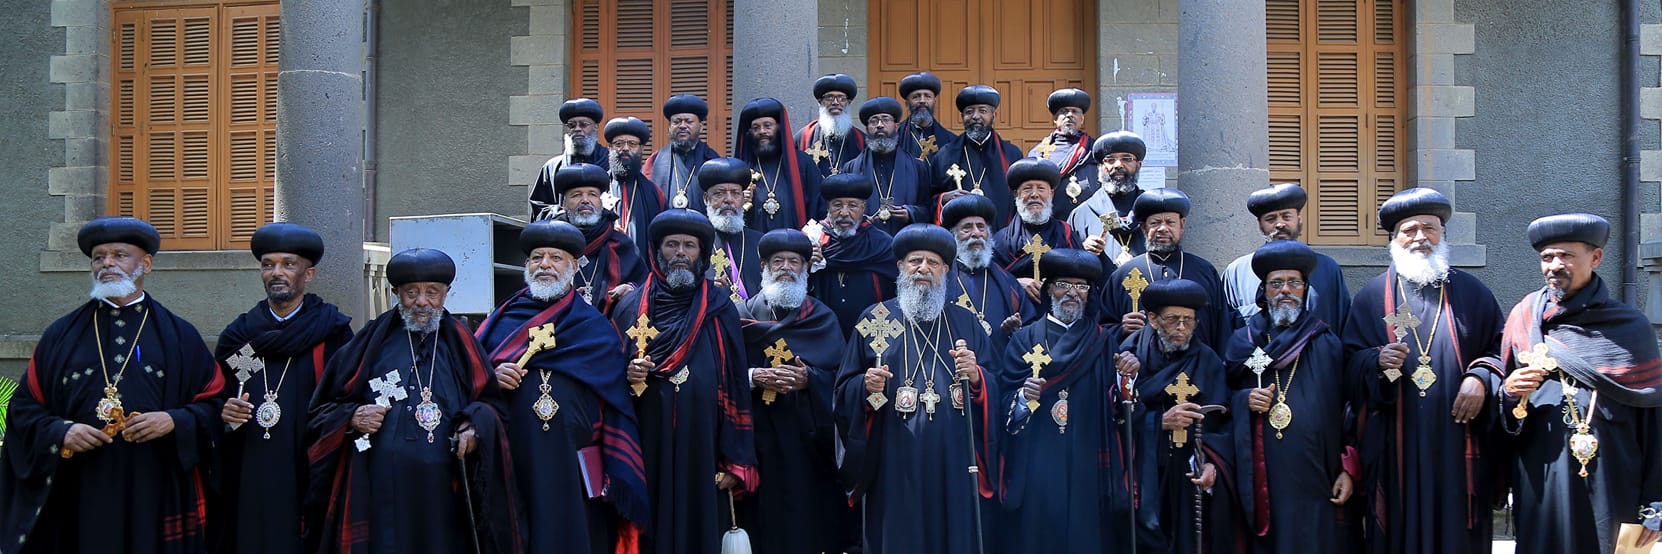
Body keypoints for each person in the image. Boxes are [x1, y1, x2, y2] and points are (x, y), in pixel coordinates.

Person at [0, 217, 225, 553]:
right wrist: (61, 431)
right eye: (98, 257)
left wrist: (173, 421)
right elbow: (23, 410)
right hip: (79, 489)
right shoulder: (60, 336)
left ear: (145, 264)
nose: (106, 263)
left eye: (119, 255)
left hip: (156, 488)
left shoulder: (181, 337)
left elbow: (216, 406)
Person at [304, 248, 520, 554]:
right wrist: (352, 416)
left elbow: (492, 406)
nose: (421, 302)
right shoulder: (369, 343)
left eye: (432, 292)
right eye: (411, 292)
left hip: (447, 489)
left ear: (447, 293)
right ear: (395, 293)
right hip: (381, 487)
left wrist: (474, 428)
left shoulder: (463, 343)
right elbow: (321, 410)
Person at [1482, 214, 1662, 553]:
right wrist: (1508, 393)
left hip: (1614, 478)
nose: (1554, 265)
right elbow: (1503, 415)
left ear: (1595, 258)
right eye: (1547, 257)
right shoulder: (1524, 319)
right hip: (1542, 478)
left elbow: (1653, 420)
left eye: (1566, 255)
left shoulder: (1631, 327)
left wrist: (1655, 504)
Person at [1340, 187, 1504, 554]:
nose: (1420, 237)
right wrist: (1376, 363)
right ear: (1393, 239)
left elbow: (1499, 351)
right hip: (1396, 446)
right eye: (1409, 230)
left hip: (1456, 441)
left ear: (1443, 233)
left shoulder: (1472, 294)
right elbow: (1348, 368)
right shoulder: (1371, 298)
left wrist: (1480, 378)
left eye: (1429, 228)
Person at [476, 220, 649, 553]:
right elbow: (471, 380)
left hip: (575, 461)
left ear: (572, 267)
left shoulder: (594, 327)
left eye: (556, 258)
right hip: (515, 454)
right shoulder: (499, 321)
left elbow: (615, 400)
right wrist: (492, 379)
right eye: (537, 257)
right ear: (526, 266)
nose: (545, 265)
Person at [834, 223, 999, 554]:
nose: (924, 268)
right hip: (893, 459)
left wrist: (977, 377)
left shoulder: (965, 322)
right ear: (900, 267)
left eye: (933, 263)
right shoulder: (875, 318)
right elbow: (842, 391)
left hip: (953, 459)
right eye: (915, 261)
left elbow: (996, 385)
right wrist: (864, 388)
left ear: (946, 271)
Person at [609, 210, 757, 554]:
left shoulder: (720, 309)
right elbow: (608, 385)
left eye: (689, 245)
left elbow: (737, 386)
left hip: (705, 446)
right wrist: (627, 377)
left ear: (702, 254)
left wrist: (736, 459)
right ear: (657, 251)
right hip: (647, 443)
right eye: (671, 244)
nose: (680, 252)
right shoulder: (630, 308)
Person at [212, 222, 354, 554]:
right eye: (268, 264)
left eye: (288, 264)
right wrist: (224, 411)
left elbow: (349, 399)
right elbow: (219, 394)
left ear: (309, 274)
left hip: (308, 465)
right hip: (251, 465)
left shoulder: (332, 333)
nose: (277, 272)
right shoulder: (241, 336)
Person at [1219, 240, 1359, 554]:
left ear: (1306, 290)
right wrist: (1244, 399)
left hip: (1317, 475)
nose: (1286, 290)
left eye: (1294, 282)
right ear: (1263, 292)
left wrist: (1348, 467)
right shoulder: (1244, 342)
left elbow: (1348, 409)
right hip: (1262, 474)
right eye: (1276, 283)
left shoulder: (1327, 343)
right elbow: (1221, 400)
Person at [998, 248, 1140, 554]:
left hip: (1089, 456)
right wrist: (1023, 398)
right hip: (1037, 460)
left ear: (1089, 294)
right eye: (1064, 285)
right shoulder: (1025, 338)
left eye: (1081, 287)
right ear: (1049, 289)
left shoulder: (1104, 340)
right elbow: (1005, 396)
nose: (1072, 293)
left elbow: (1119, 404)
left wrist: (1125, 378)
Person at [736, 229, 850, 554]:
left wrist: (809, 380)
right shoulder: (740, 317)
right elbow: (722, 377)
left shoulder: (822, 319)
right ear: (764, 267)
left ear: (804, 269)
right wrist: (754, 376)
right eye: (778, 261)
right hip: (754, 441)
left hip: (805, 446)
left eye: (794, 262)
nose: (786, 267)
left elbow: (841, 380)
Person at [1121, 278, 1230, 554]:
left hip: (1187, 469)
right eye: (1173, 320)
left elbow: (1223, 419)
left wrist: (1212, 463)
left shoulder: (1207, 361)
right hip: (1139, 467)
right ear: (1153, 319)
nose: (1182, 328)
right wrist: (1159, 422)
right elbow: (1112, 415)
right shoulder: (1129, 354)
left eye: (1189, 320)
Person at [1096, 188, 1229, 351]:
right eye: (1155, 223)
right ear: (1143, 228)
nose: (1163, 229)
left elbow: (1223, 329)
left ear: (1182, 225)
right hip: (1141, 372)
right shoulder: (1122, 275)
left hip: (1196, 371)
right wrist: (1121, 328)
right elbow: (1100, 330)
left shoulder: (1205, 271)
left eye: (1170, 222)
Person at [1222, 183, 1350, 330]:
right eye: (1271, 219)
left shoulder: (1327, 268)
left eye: (1286, 216)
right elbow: (1225, 328)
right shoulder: (1237, 272)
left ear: (1299, 219)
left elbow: (1342, 325)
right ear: (1260, 225)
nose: (1280, 224)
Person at [551, 163, 648, 314]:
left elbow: (644, 284)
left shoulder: (620, 242)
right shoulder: (551, 242)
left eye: (592, 194)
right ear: (564, 204)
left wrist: (631, 289)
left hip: (611, 329)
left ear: (601, 202)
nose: (585, 200)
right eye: (576, 195)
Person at [809, 173, 899, 336]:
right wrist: (805, 265)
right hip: (823, 331)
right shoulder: (811, 239)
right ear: (828, 207)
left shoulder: (883, 244)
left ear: (863, 207)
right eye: (837, 205)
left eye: (852, 205)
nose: (844, 212)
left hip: (873, 331)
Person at [942, 194, 1034, 353]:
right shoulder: (941, 281)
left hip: (1000, 370)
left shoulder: (1008, 283)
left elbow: (1030, 329)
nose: (976, 233)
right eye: (967, 227)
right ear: (953, 235)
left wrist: (1017, 332)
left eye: (981, 226)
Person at [928, 85, 1024, 232]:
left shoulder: (1012, 154)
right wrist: (943, 198)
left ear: (994, 116)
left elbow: (1021, 199)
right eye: (969, 112)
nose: (975, 116)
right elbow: (928, 199)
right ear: (962, 117)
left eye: (982, 111)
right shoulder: (945, 155)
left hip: (1002, 237)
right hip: (959, 240)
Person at [992, 158, 1081, 304]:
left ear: (1051, 194)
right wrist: (1015, 283)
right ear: (1016, 195)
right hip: (1017, 315)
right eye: (1027, 189)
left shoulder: (1065, 233)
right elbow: (989, 282)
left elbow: (1082, 277)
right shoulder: (1001, 240)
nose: (1034, 194)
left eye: (1041, 188)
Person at [842, 96, 931, 236]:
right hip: (865, 243)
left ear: (896, 126)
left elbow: (928, 208)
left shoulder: (918, 167)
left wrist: (910, 213)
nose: (879, 125)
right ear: (867, 128)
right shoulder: (851, 168)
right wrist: (860, 219)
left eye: (885, 119)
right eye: (873, 121)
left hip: (906, 241)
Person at [734, 97, 824, 233]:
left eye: (768, 126)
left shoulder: (802, 163)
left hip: (795, 245)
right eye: (756, 127)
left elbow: (819, 206)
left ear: (779, 128)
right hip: (753, 246)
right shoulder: (741, 167)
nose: (762, 131)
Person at [1070, 130, 1149, 267]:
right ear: (1100, 167)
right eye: (1110, 160)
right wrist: (1082, 250)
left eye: (1127, 158)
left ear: (1139, 165)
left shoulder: (1153, 210)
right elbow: (1066, 265)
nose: (1118, 165)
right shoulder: (1081, 215)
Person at [698, 158, 765, 305]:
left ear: (743, 199)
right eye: (719, 193)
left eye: (735, 193)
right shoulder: (694, 243)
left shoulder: (761, 243)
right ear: (706, 199)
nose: (728, 200)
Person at [530, 98, 608, 219]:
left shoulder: (611, 163)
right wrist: (562, 213)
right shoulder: (551, 167)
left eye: (583, 124)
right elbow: (539, 206)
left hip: (605, 233)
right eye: (572, 125)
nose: (577, 129)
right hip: (563, 234)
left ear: (596, 127)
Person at [1028, 88, 1098, 219]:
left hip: (1088, 221)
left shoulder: (1095, 149)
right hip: (1053, 222)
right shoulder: (1038, 153)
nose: (1069, 115)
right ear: (1055, 119)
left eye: (1075, 111)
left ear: (1082, 119)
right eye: (1064, 112)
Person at [644, 94, 721, 212]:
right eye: (677, 122)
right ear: (669, 127)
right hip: (664, 227)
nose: (682, 126)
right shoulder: (655, 161)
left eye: (688, 121)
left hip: (702, 227)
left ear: (701, 127)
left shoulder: (713, 161)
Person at [601, 116, 666, 256]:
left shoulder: (655, 193)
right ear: (609, 147)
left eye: (632, 144)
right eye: (619, 144)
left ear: (641, 148)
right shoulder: (597, 188)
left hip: (642, 270)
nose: (625, 148)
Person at [798, 74, 866, 178]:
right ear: (820, 102)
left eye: (841, 98)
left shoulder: (860, 139)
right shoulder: (804, 136)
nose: (835, 102)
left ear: (848, 102)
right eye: (829, 98)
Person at [895, 72, 957, 163]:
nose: (922, 101)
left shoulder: (951, 140)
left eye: (927, 96)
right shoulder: (894, 136)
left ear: (934, 102)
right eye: (916, 97)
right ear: (907, 104)